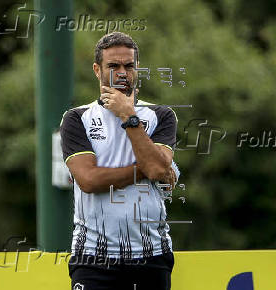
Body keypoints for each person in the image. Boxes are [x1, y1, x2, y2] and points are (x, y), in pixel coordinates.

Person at [60, 32, 179, 290]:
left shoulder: (161, 115)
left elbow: (158, 168)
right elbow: (89, 181)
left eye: (129, 65)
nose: (122, 72)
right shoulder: (76, 119)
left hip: (151, 255)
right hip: (93, 258)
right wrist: (147, 169)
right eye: (113, 66)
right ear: (97, 70)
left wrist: (129, 116)